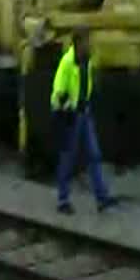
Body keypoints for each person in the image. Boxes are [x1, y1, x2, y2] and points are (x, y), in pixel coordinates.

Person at [50, 27, 117, 214]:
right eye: (87, 40)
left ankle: (101, 198)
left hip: (84, 113)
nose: (90, 44)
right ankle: (62, 200)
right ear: (78, 43)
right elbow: (58, 93)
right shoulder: (67, 63)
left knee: (94, 155)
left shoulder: (86, 60)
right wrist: (67, 111)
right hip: (70, 116)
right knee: (68, 158)